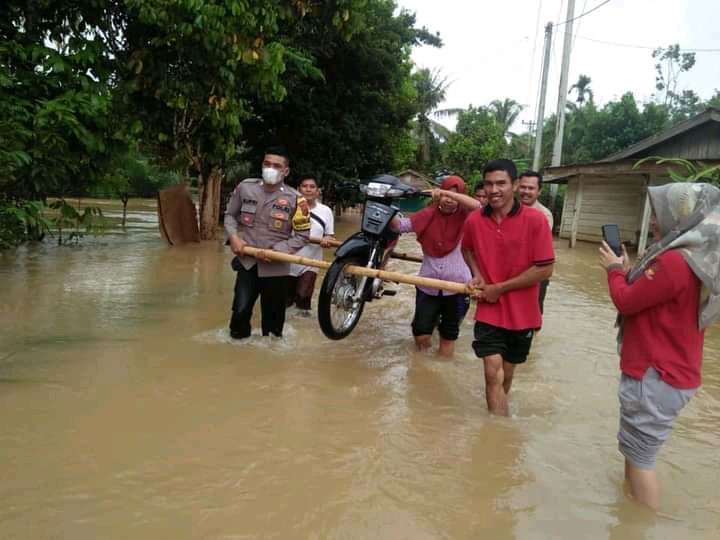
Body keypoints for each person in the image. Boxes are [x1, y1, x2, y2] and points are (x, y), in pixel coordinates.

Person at [599, 182, 720, 510]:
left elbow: (625, 301)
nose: (653, 221)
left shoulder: (674, 262)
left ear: (680, 216)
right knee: (636, 452)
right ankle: (628, 515)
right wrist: (627, 272)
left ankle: (640, 523)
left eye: (658, 214)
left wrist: (613, 271)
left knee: (641, 461)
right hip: (672, 372)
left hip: (655, 376)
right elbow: (652, 298)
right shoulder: (699, 257)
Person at [460, 159, 555, 416]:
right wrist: (477, 274)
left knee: (507, 376)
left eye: (501, 183)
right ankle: (497, 433)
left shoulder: (536, 221)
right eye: (489, 184)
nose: (493, 190)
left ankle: (499, 427)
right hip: (489, 309)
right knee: (492, 373)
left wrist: (500, 288)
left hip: (523, 313)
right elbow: (466, 249)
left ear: (514, 185)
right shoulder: (474, 221)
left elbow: (545, 268)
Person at [224, 146, 311, 339]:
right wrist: (234, 237)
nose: (270, 168)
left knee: (272, 327)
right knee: (240, 311)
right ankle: (236, 352)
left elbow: (303, 235)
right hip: (248, 262)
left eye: (277, 165)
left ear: (285, 171)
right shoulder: (245, 188)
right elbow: (230, 215)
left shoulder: (297, 200)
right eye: (267, 164)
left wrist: (276, 250)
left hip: (276, 267)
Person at [390, 176, 473, 358]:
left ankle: (441, 368)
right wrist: (388, 202)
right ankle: (424, 365)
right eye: (446, 194)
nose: (450, 199)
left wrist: (444, 192)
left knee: (448, 336)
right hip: (428, 286)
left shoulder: (468, 218)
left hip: (458, 288)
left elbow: (479, 207)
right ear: (438, 196)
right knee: (421, 334)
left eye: (455, 195)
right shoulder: (427, 214)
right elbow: (399, 226)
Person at [287, 174, 335, 314]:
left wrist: (327, 240)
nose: (308, 189)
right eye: (304, 186)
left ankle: (302, 330)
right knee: (285, 301)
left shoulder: (325, 211)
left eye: (312, 187)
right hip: (287, 261)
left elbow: (329, 235)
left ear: (318, 191)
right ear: (298, 189)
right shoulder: (289, 207)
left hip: (310, 263)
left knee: (303, 299)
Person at [518, 170, 554, 314]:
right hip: (510, 272)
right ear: (516, 187)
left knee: (533, 313)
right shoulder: (507, 209)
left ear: (539, 191)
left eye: (531, 188)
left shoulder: (544, 215)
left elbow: (537, 249)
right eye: (523, 187)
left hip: (535, 272)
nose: (526, 191)